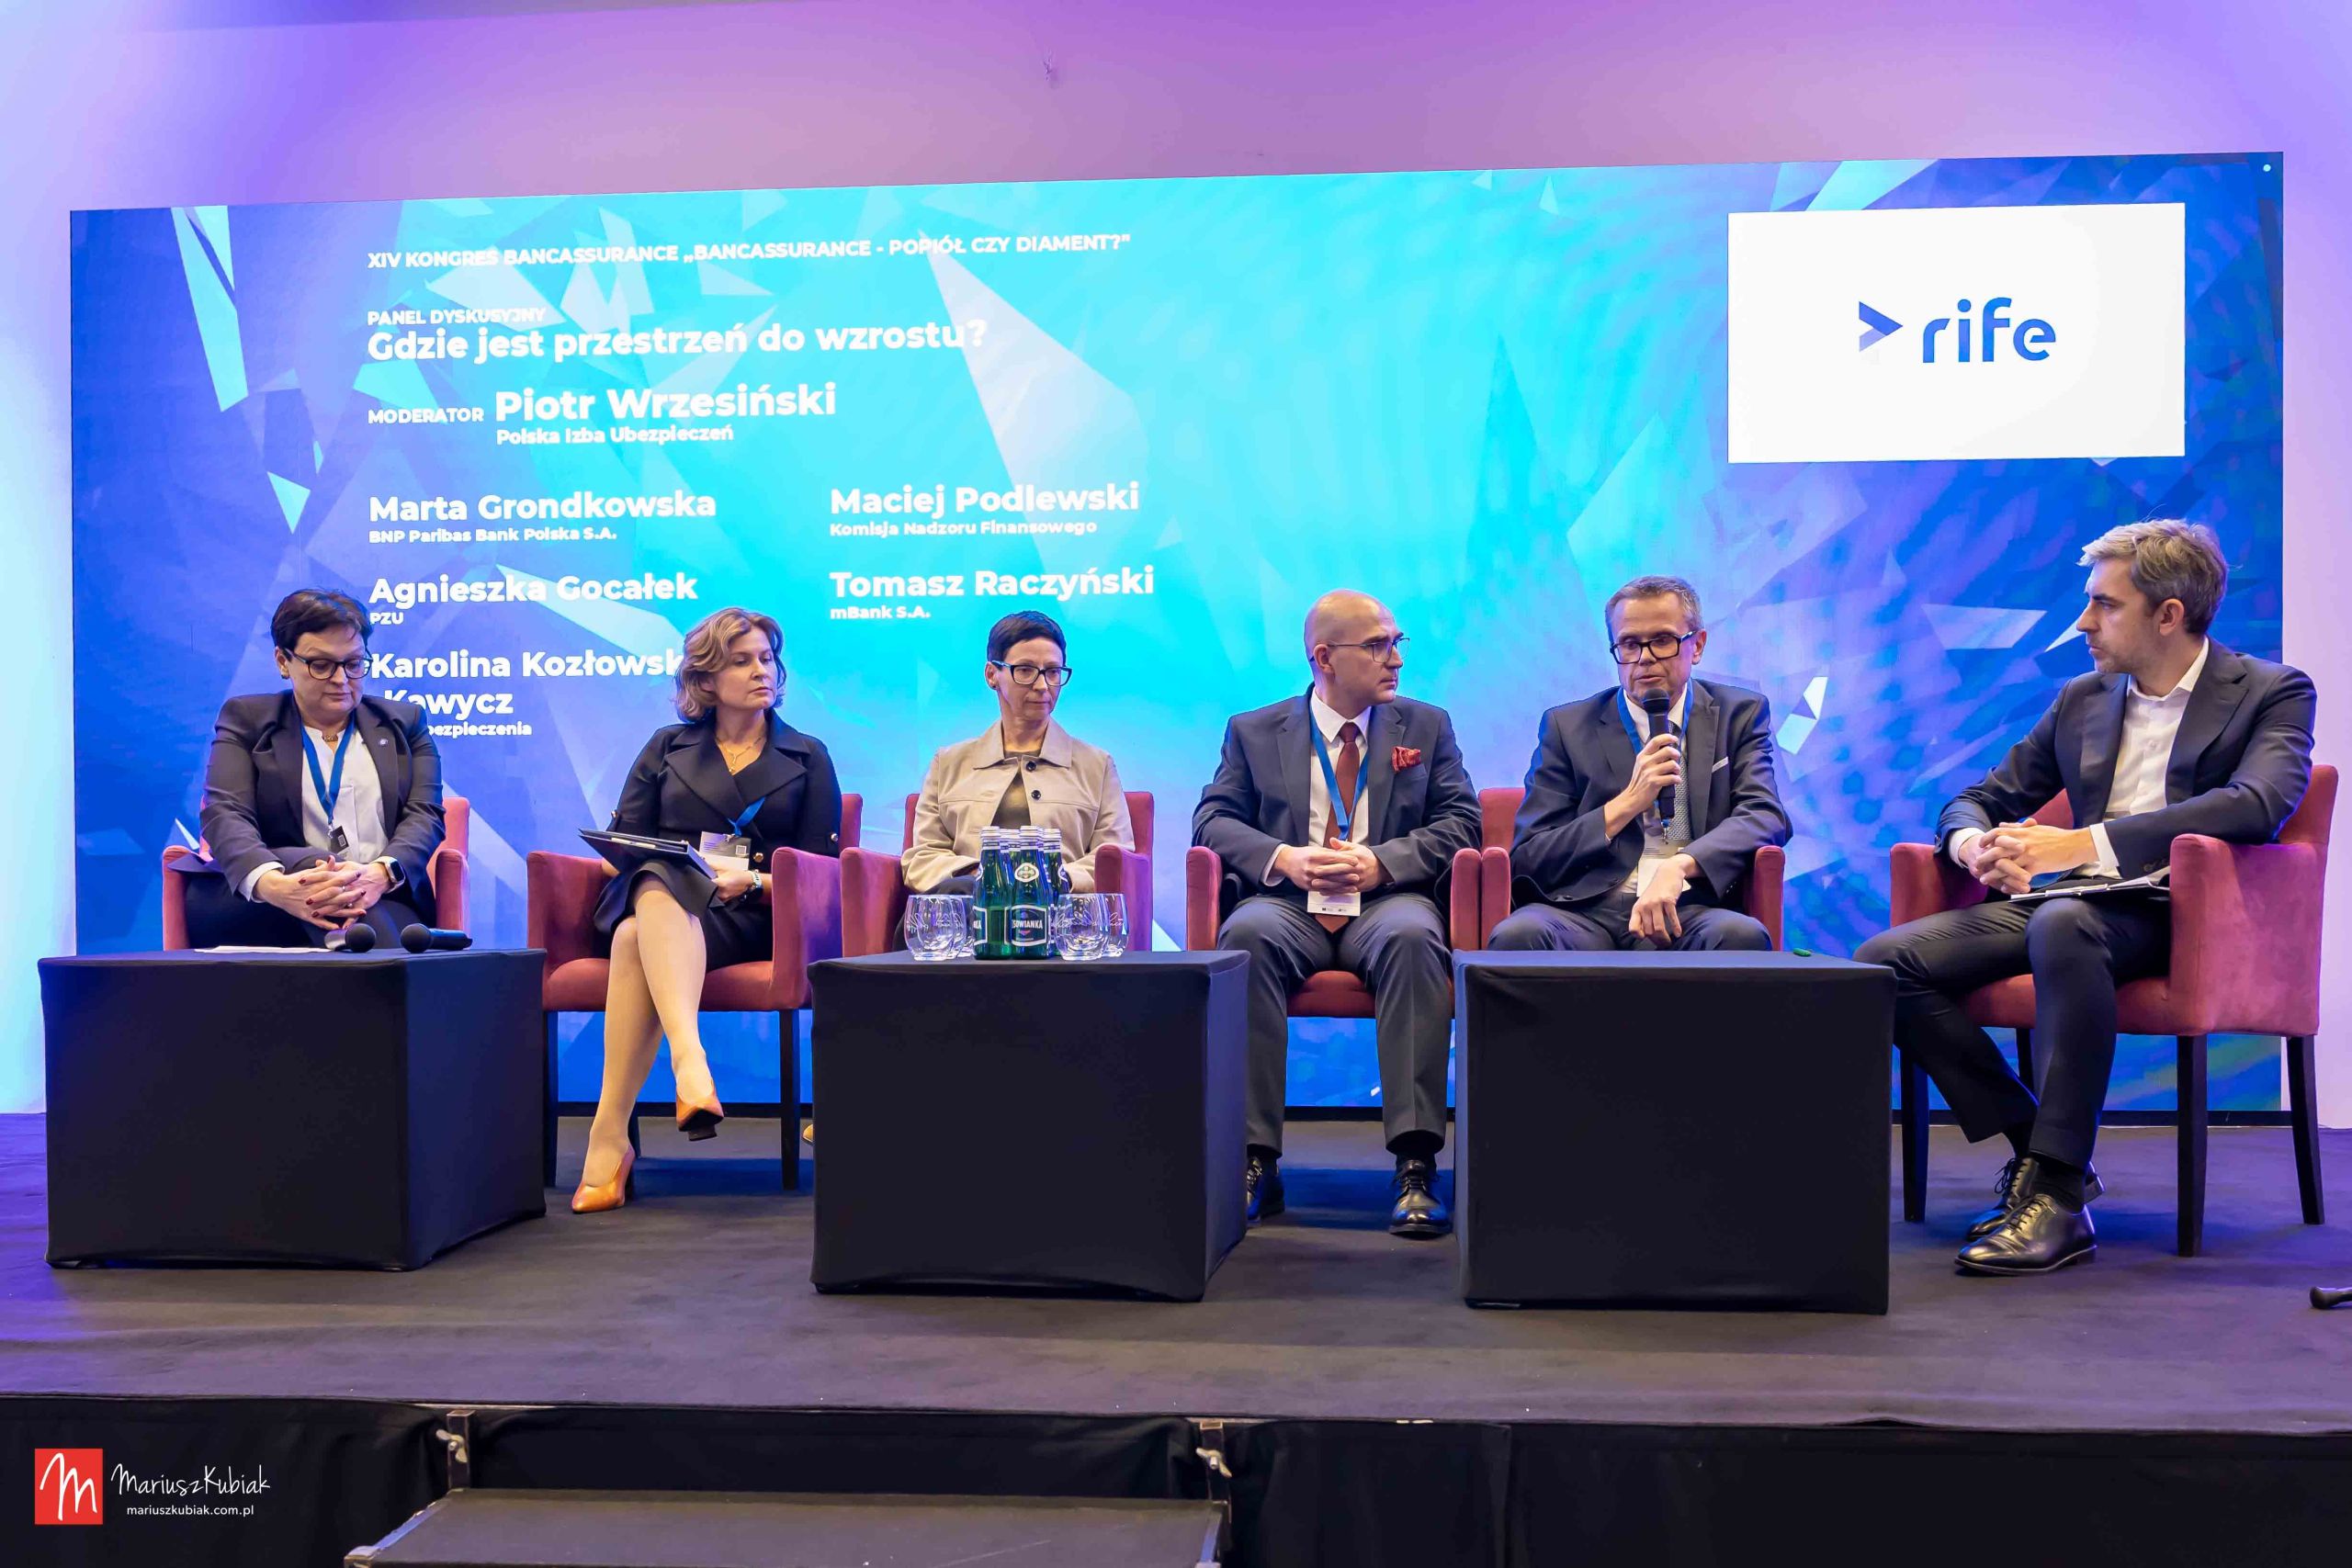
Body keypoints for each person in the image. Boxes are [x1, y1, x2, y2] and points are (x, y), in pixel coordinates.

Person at [1857, 522, 2314, 1275]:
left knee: (2067, 922)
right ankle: (2044, 1156)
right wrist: (1974, 847)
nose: (2083, 622)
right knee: (1885, 964)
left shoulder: (2271, 691)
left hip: (2186, 914)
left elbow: (2257, 803)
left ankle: (2057, 1198)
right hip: (2075, 908)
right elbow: (1980, 797)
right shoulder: (2083, 699)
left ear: (2168, 614)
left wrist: (2079, 844)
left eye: (2105, 604)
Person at [1193, 590, 1480, 1238]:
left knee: (1413, 937)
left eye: (1397, 642)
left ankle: (1415, 1163)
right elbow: (1212, 820)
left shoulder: (1426, 725)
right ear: (1324, 658)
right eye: (1378, 645)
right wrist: (1285, 859)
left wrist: (1382, 862)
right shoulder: (1254, 730)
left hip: (1387, 900)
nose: (1396, 659)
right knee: (1246, 935)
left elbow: (1462, 823)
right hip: (1289, 904)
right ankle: (1254, 1160)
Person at [571, 607, 843, 1214]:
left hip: (750, 914)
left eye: (766, 659)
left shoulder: (807, 754)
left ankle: (611, 1136)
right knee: (657, 879)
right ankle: (689, 1062)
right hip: (660, 900)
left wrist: (755, 879)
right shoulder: (666, 746)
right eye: (741, 661)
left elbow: (823, 872)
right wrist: (669, 864)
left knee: (633, 938)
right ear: (706, 679)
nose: (761, 671)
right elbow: (624, 846)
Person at [1492, 574, 1789, 952]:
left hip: (1689, 906)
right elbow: (1531, 855)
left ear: (1697, 645)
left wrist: (1680, 865)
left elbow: (1764, 816)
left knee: (1740, 936)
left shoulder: (1739, 714)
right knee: (1518, 935)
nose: (1644, 658)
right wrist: (1627, 803)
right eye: (1630, 644)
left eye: (1662, 641)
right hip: (1585, 911)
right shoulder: (1567, 727)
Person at [191, 589, 443, 948]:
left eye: (354, 663)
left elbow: (426, 815)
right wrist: (275, 885)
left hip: (381, 896)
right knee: (316, 867)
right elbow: (225, 812)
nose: (341, 679)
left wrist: (379, 874)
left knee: (367, 921)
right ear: (283, 661)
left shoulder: (405, 723)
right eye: (321, 665)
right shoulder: (247, 720)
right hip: (265, 901)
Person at [903, 610, 1135, 897]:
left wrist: (1051, 879)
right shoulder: (949, 763)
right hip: (965, 908)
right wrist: (984, 877)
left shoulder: (1096, 765)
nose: (1042, 686)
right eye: (1025, 670)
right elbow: (923, 857)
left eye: (1053, 672)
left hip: (1060, 912)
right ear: (992, 675)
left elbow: (1114, 858)